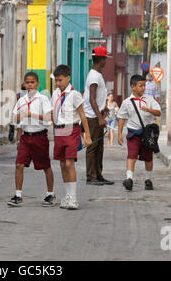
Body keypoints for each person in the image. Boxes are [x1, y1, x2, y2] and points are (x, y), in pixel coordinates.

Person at [7, 72, 56, 207]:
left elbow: (47, 118)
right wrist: (17, 119)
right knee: (19, 164)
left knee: (45, 166)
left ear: (37, 84)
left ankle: (50, 194)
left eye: (32, 82)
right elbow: (15, 118)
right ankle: (18, 195)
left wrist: (30, 114)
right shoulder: (21, 100)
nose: (30, 85)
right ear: (24, 84)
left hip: (39, 136)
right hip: (25, 137)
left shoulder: (43, 99)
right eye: (27, 82)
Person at [52, 65, 92, 210]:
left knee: (69, 163)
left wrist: (87, 135)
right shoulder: (55, 93)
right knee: (62, 163)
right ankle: (68, 195)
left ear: (68, 78)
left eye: (60, 80)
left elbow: (82, 115)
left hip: (72, 129)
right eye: (56, 80)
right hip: (59, 131)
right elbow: (55, 113)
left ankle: (74, 198)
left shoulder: (74, 94)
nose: (58, 83)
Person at [117, 75, 162, 191]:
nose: (143, 88)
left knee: (148, 157)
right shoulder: (127, 102)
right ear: (133, 87)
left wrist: (148, 110)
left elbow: (158, 112)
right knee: (131, 155)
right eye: (140, 86)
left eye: (144, 86)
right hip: (133, 133)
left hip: (147, 134)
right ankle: (129, 179)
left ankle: (148, 179)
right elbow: (122, 118)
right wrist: (119, 134)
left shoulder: (149, 99)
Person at [83, 46, 113, 185]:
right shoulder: (94, 75)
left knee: (99, 147)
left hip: (97, 114)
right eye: (105, 58)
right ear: (101, 59)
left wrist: (104, 108)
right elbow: (92, 99)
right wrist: (100, 118)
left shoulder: (97, 74)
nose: (106, 60)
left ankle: (98, 174)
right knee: (93, 147)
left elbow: (97, 97)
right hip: (93, 117)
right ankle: (91, 176)